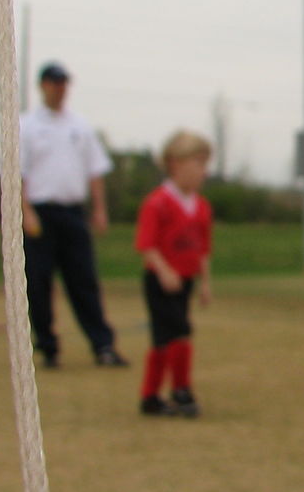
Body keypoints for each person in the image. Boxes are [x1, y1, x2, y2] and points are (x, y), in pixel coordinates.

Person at [20, 62, 127, 369]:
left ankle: (102, 345)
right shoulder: (27, 126)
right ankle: (48, 346)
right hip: (40, 213)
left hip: (72, 213)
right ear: (43, 86)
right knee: (39, 283)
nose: (60, 88)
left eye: (64, 83)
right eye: (54, 83)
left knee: (84, 280)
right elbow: (17, 174)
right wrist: (25, 211)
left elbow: (95, 171)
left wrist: (100, 209)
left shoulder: (79, 126)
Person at [135, 131, 213, 417]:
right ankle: (180, 391)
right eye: (198, 163)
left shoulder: (201, 207)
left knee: (167, 337)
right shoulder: (158, 203)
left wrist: (205, 283)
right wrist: (164, 271)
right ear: (176, 164)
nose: (204, 171)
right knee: (176, 332)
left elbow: (202, 249)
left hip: (185, 281)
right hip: (160, 282)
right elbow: (147, 245)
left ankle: (151, 397)